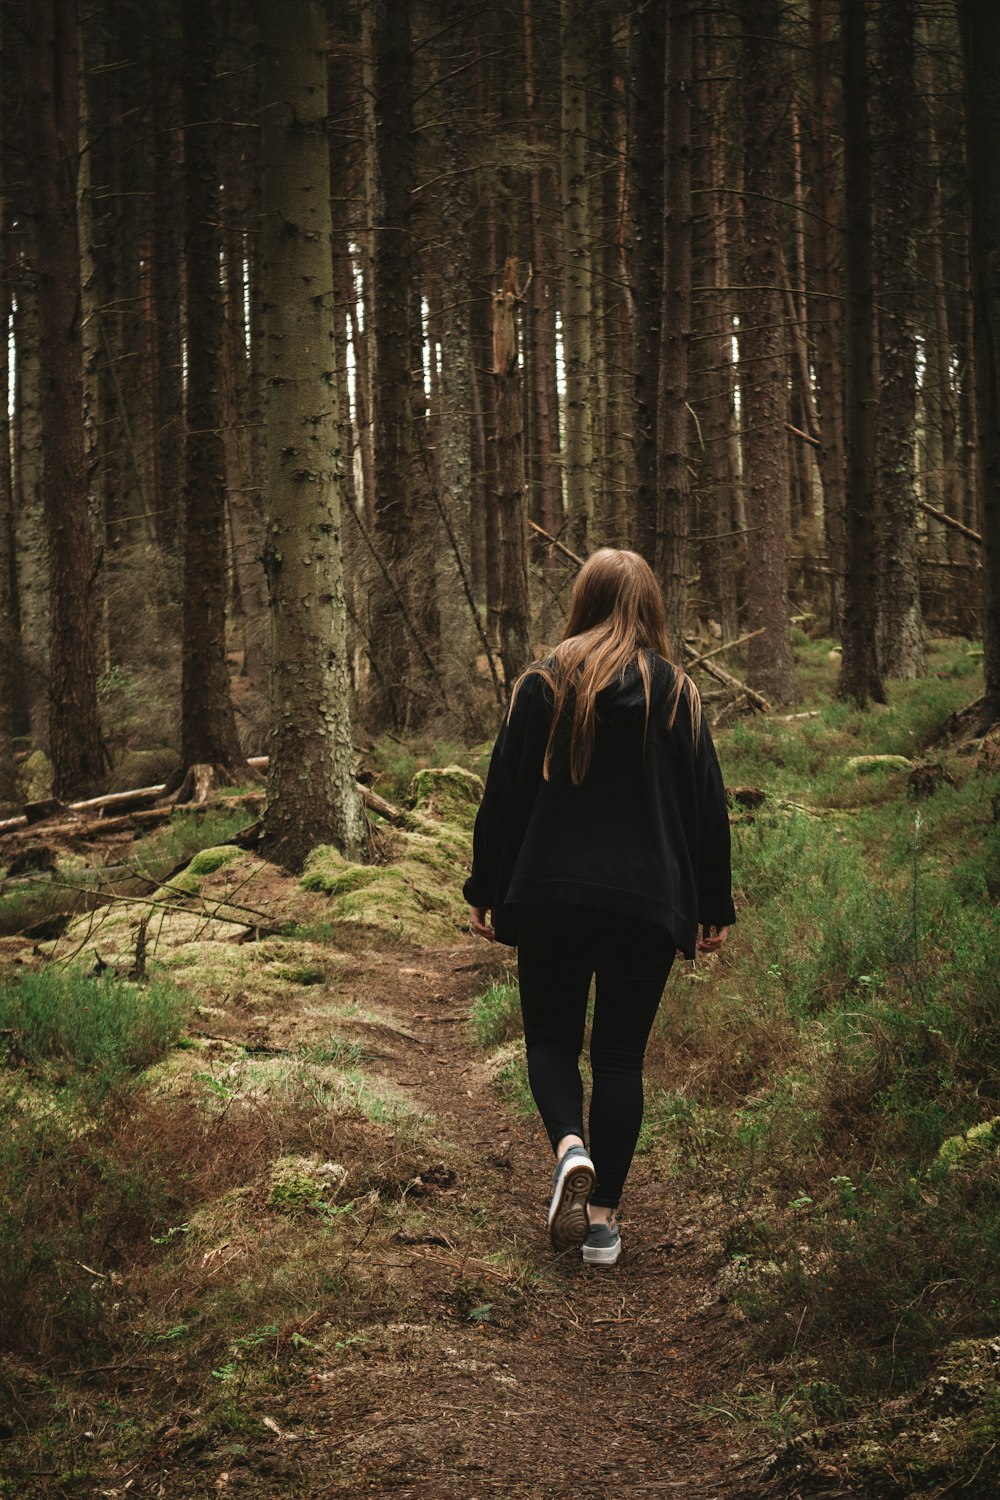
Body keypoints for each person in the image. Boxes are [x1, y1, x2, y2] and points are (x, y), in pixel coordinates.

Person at [463, 548, 734, 1266]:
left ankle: (569, 1146)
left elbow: (504, 799)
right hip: (647, 906)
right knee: (620, 1056)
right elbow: (708, 809)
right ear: (651, 607)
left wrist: (485, 889)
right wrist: (714, 903)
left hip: (549, 895)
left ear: (582, 600)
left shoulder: (540, 684)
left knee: (551, 1042)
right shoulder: (679, 694)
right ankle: (604, 1224)